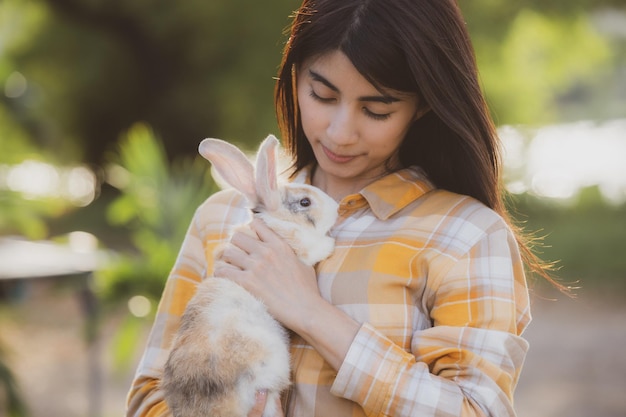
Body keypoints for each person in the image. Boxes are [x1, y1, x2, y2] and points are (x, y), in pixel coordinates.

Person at [127, 0, 561, 416]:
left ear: (423, 104)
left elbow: (475, 410)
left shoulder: (466, 235)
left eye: (375, 110)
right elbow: (151, 398)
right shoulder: (223, 217)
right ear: (294, 78)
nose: (340, 132)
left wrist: (310, 312)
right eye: (322, 95)